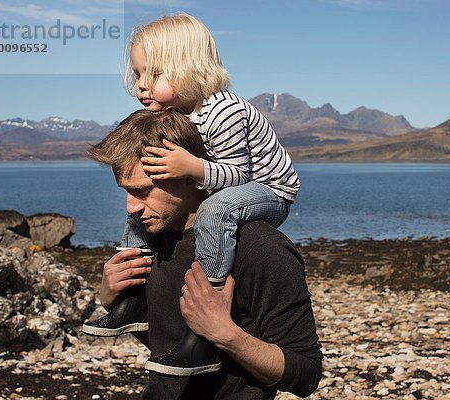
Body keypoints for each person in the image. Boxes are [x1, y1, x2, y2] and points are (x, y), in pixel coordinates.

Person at [82, 12, 300, 377]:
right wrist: (112, 293)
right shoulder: (178, 115)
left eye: (153, 74)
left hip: (267, 189)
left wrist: (193, 168)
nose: (140, 86)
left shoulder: (223, 111)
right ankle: (132, 302)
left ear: (190, 68)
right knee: (137, 215)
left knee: (216, 209)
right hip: (227, 185)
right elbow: (161, 342)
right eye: (137, 75)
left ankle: (211, 297)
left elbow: (239, 175)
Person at [86, 109, 322, 399]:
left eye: (143, 191)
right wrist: (116, 301)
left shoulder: (261, 248)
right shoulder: (154, 238)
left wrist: (226, 335)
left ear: (189, 176)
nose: (130, 207)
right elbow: (167, 343)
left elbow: (306, 374)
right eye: (126, 191)